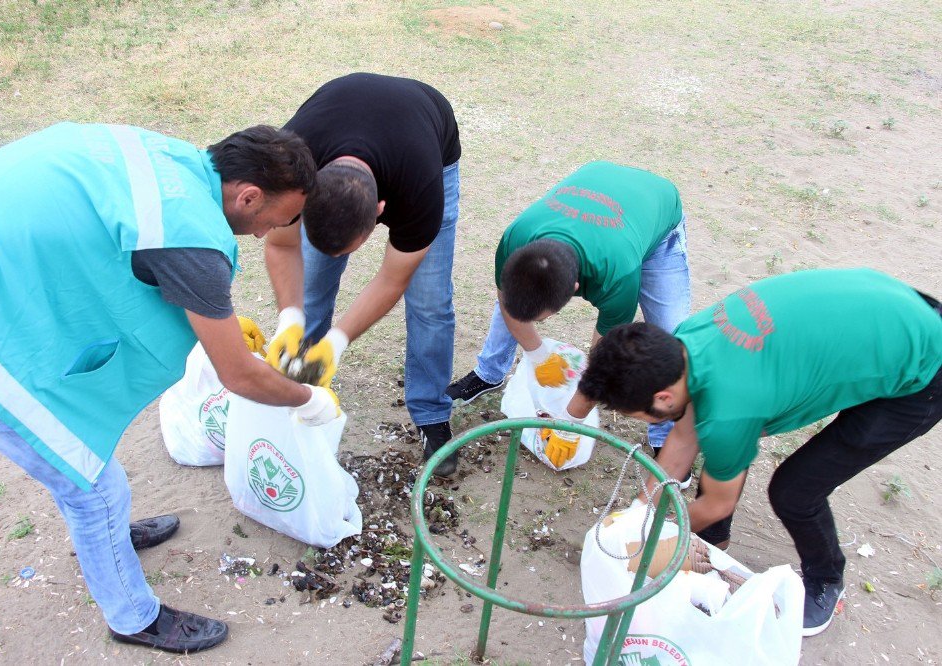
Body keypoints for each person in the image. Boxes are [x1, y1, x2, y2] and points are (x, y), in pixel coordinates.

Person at [0, 122, 341, 653]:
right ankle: (133, 618)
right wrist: (309, 398)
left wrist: (221, 322)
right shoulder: (192, 241)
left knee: (86, 468)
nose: (273, 231)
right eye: (282, 217)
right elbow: (237, 375)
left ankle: (107, 543)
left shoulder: (170, 160)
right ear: (248, 195)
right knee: (95, 489)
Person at [572, 268, 942, 636]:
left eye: (634, 413)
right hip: (883, 313)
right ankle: (714, 542)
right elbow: (682, 441)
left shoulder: (729, 409)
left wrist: (654, 546)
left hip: (924, 364)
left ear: (663, 397)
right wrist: (641, 517)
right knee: (719, 451)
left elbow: (718, 502)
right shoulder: (682, 346)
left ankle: (827, 581)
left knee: (795, 491)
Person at [264, 73, 463, 475]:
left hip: (429, 138)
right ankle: (302, 388)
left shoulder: (419, 190)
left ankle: (430, 414)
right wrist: (290, 319)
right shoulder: (289, 165)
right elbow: (280, 245)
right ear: (304, 201)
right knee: (313, 283)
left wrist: (337, 341)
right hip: (340, 113)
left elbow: (392, 280)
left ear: (380, 212)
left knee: (430, 302)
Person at [446, 161, 690, 472]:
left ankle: (663, 432)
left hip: (658, 215)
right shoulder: (515, 239)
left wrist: (569, 422)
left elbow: (606, 360)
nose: (539, 323)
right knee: (512, 304)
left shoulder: (616, 274)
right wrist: (536, 354)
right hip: (601, 190)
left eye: (542, 318)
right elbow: (508, 300)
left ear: (576, 290)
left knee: (671, 332)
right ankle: (489, 372)